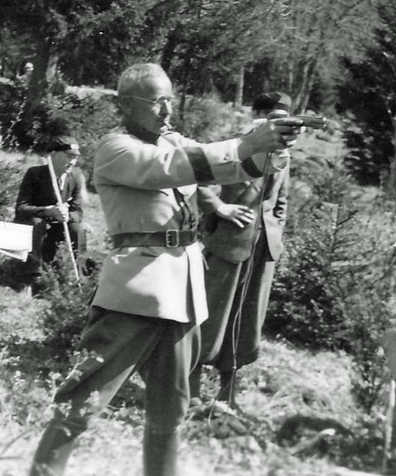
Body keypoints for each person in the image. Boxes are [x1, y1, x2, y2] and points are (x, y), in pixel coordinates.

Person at [29, 64, 302, 476]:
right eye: (157, 101)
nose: (167, 110)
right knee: (84, 400)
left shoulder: (172, 141)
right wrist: (248, 142)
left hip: (181, 291)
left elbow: (232, 167)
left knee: (171, 408)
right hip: (136, 291)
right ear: (126, 105)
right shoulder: (115, 148)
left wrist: (272, 146)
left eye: (170, 100)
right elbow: (173, 166)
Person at [191, 92, 295, 413]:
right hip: (227, 244)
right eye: (272, 117)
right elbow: (196, 181)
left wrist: (274, 232)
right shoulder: (235, 146)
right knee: (210, 315)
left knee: (247, 321)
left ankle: (228, 393)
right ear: (258, 116)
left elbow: (281, 202)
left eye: (284, 119)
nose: (279, 125)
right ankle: (191, 389)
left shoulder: (285, 154)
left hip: (263, 251)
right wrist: (219, 208)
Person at [14, 135, 87, 281]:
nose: (72, 162)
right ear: (53, 155)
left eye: (74, 158)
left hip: (59, 224)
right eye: (68, 156)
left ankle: (80, 275)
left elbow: (78, 211)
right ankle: (32, 273)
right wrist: (47, 211)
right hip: (36, 222)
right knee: (37, 223)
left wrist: (67, 215)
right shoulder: (35, 174)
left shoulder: (75, 176)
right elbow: (21, 208)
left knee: (78, 229)